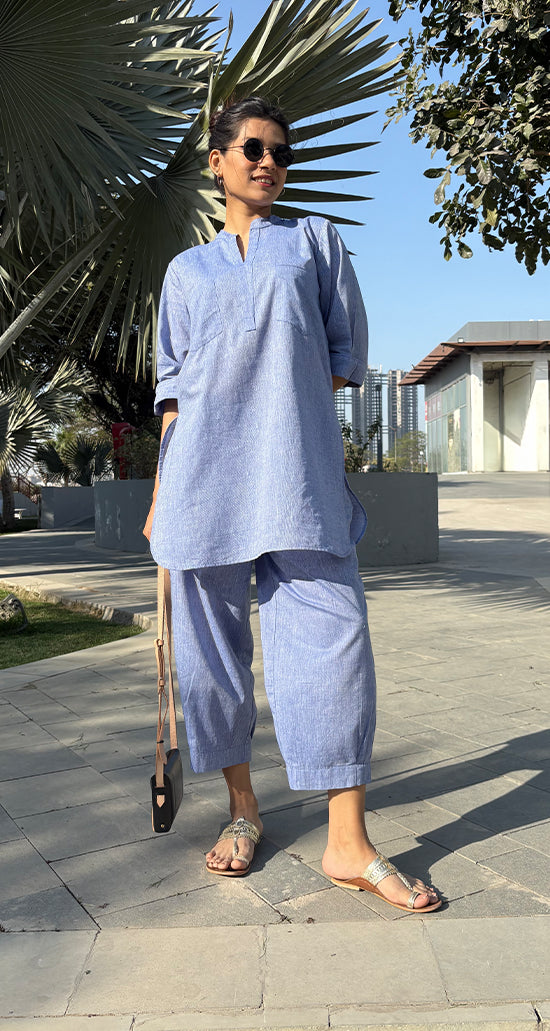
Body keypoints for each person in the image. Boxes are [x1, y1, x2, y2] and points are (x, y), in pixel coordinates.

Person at [144, 95, 441, 913]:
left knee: (336, 646)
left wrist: (280, 409)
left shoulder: (316, 242)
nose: (269, 162)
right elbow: (173, 392)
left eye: (281, 151)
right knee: (211, 658)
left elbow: (344, 354)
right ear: (217, 161)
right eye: (252, 148)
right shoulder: (185, 273)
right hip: (201, 484)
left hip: (296, 479)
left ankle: (348, 839)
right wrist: (163, 491)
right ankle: (244, 809)